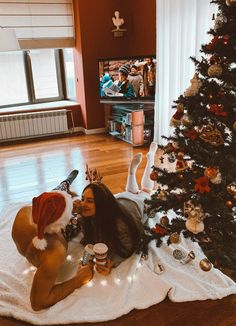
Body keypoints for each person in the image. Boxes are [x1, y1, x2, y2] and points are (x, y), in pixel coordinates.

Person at [11, 170, 94, 311]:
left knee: (57, 193)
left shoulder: (25, 212)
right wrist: (79, 279)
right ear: (60, 225)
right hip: (47, 247)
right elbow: (38, 303)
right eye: (70, 209)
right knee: (80, 218)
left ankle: (66, 183)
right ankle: (66, 188)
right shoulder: (56, 250)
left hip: (39, 236)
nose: (74, 206)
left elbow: (49, 205)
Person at [73, 142, 158, 275]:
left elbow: (129, 246)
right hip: (121, 199)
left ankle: (151, 156)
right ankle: (131, 172)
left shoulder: (120, 224)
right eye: (83, 199)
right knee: (131, 190)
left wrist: (112, 263)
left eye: (89, 201)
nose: (83, 204)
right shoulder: (93, 213)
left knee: (146, 190)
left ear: (100, 203)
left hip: (138, 204)